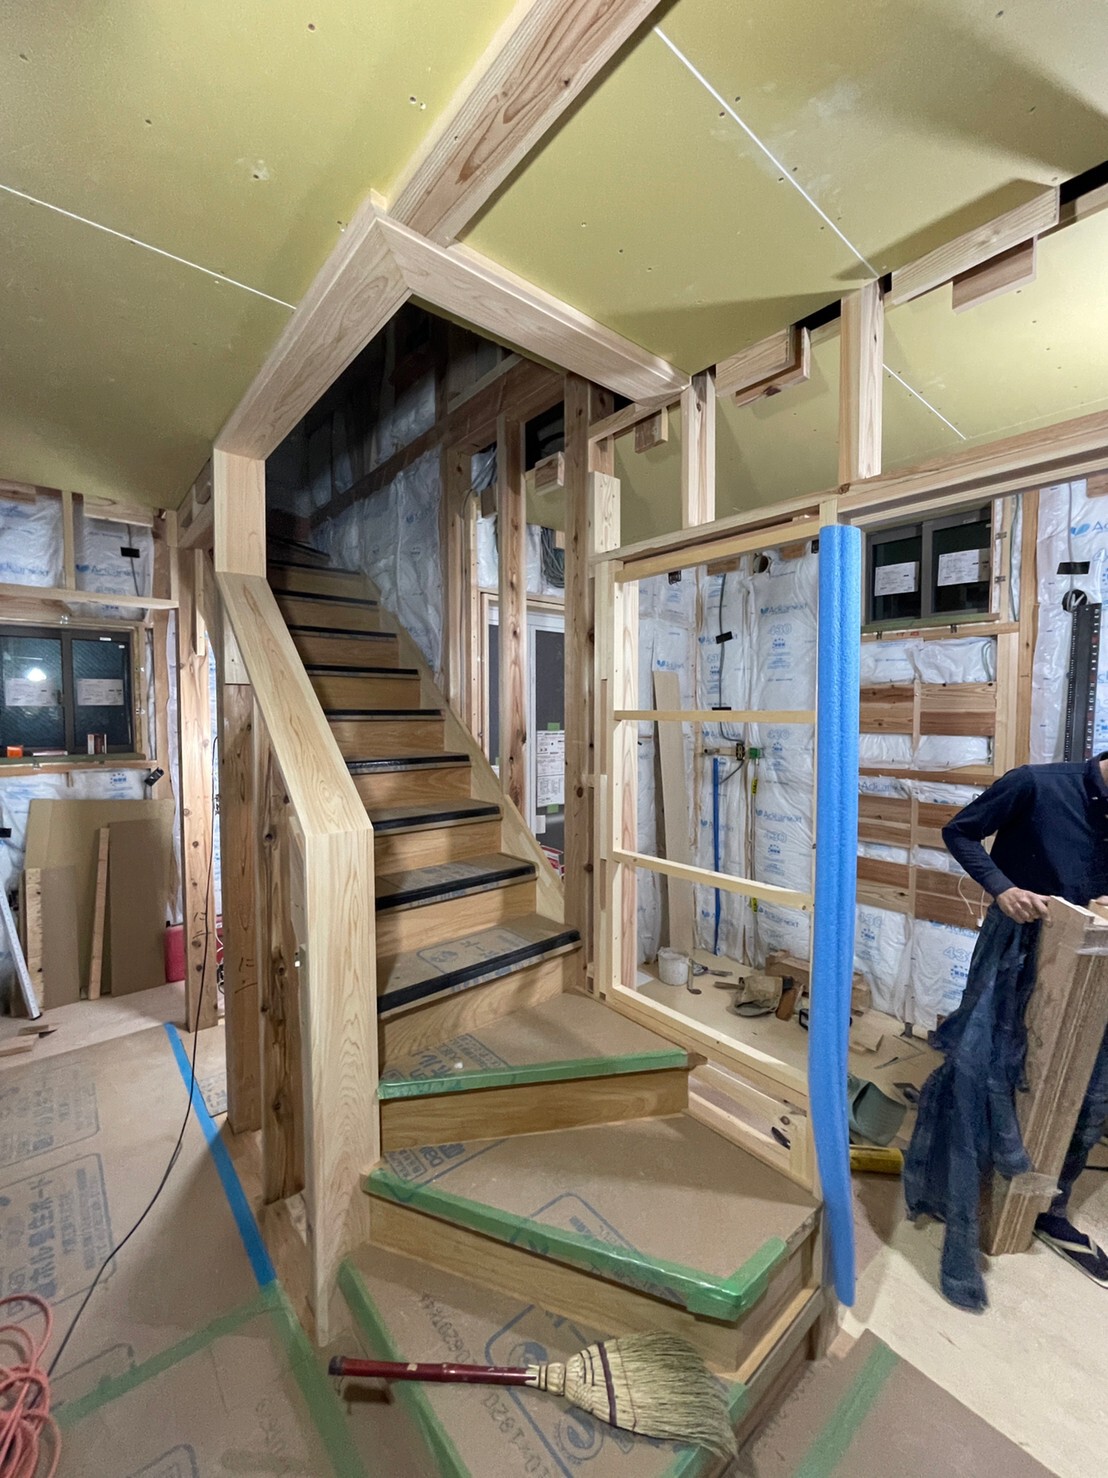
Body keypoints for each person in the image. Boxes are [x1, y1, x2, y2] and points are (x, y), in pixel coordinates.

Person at [942, 752, 1108, 1285]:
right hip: (1017, 946)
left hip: (1094, 959)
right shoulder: (1035, 785)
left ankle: (1050, 1206)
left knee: (1092, 1093)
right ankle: (964, 1181)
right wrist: (1002, 887)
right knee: (987, 1067)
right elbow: (960, 832)